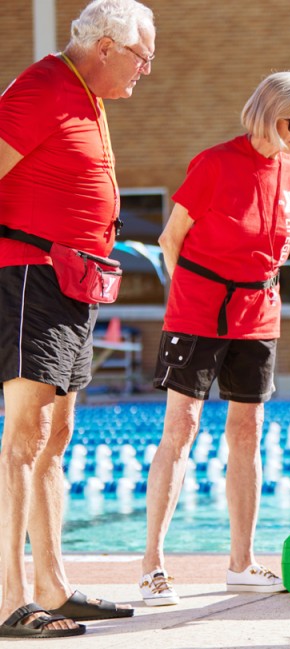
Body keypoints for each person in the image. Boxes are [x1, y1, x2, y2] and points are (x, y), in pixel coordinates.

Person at [0, 0, 154, 638]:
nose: (146, 70)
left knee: (56, 435)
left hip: (71, 282)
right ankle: (9, 598)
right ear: (110, 45)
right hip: (30, 272)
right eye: (143, 57)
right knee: (24, 438)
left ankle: (52, 586)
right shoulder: (41, 88)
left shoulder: (83, 93)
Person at [139, 71, 290, 606]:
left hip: (258, 311)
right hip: (198, 309)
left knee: (248, 430)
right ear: (267, 112)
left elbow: (281, 246)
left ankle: (242, 562)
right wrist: (190, 303)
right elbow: (171, 240)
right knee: (183, 427)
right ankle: (151, 565)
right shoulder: (214, 163)